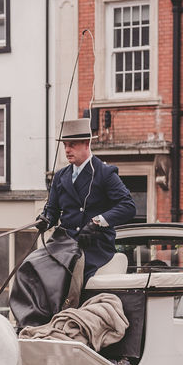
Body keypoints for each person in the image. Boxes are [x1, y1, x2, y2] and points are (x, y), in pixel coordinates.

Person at [35, 118, 136, 281]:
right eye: (65, 145)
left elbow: (128, 206)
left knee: (64, 275)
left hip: (94, 246)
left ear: (86, 144)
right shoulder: (61, 176)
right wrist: (44, 220)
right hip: (64, 243)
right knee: (32, 266)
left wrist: (97, 222)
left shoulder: (105, 173)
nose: (67, 150)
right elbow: (52, 211)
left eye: (72, 145)